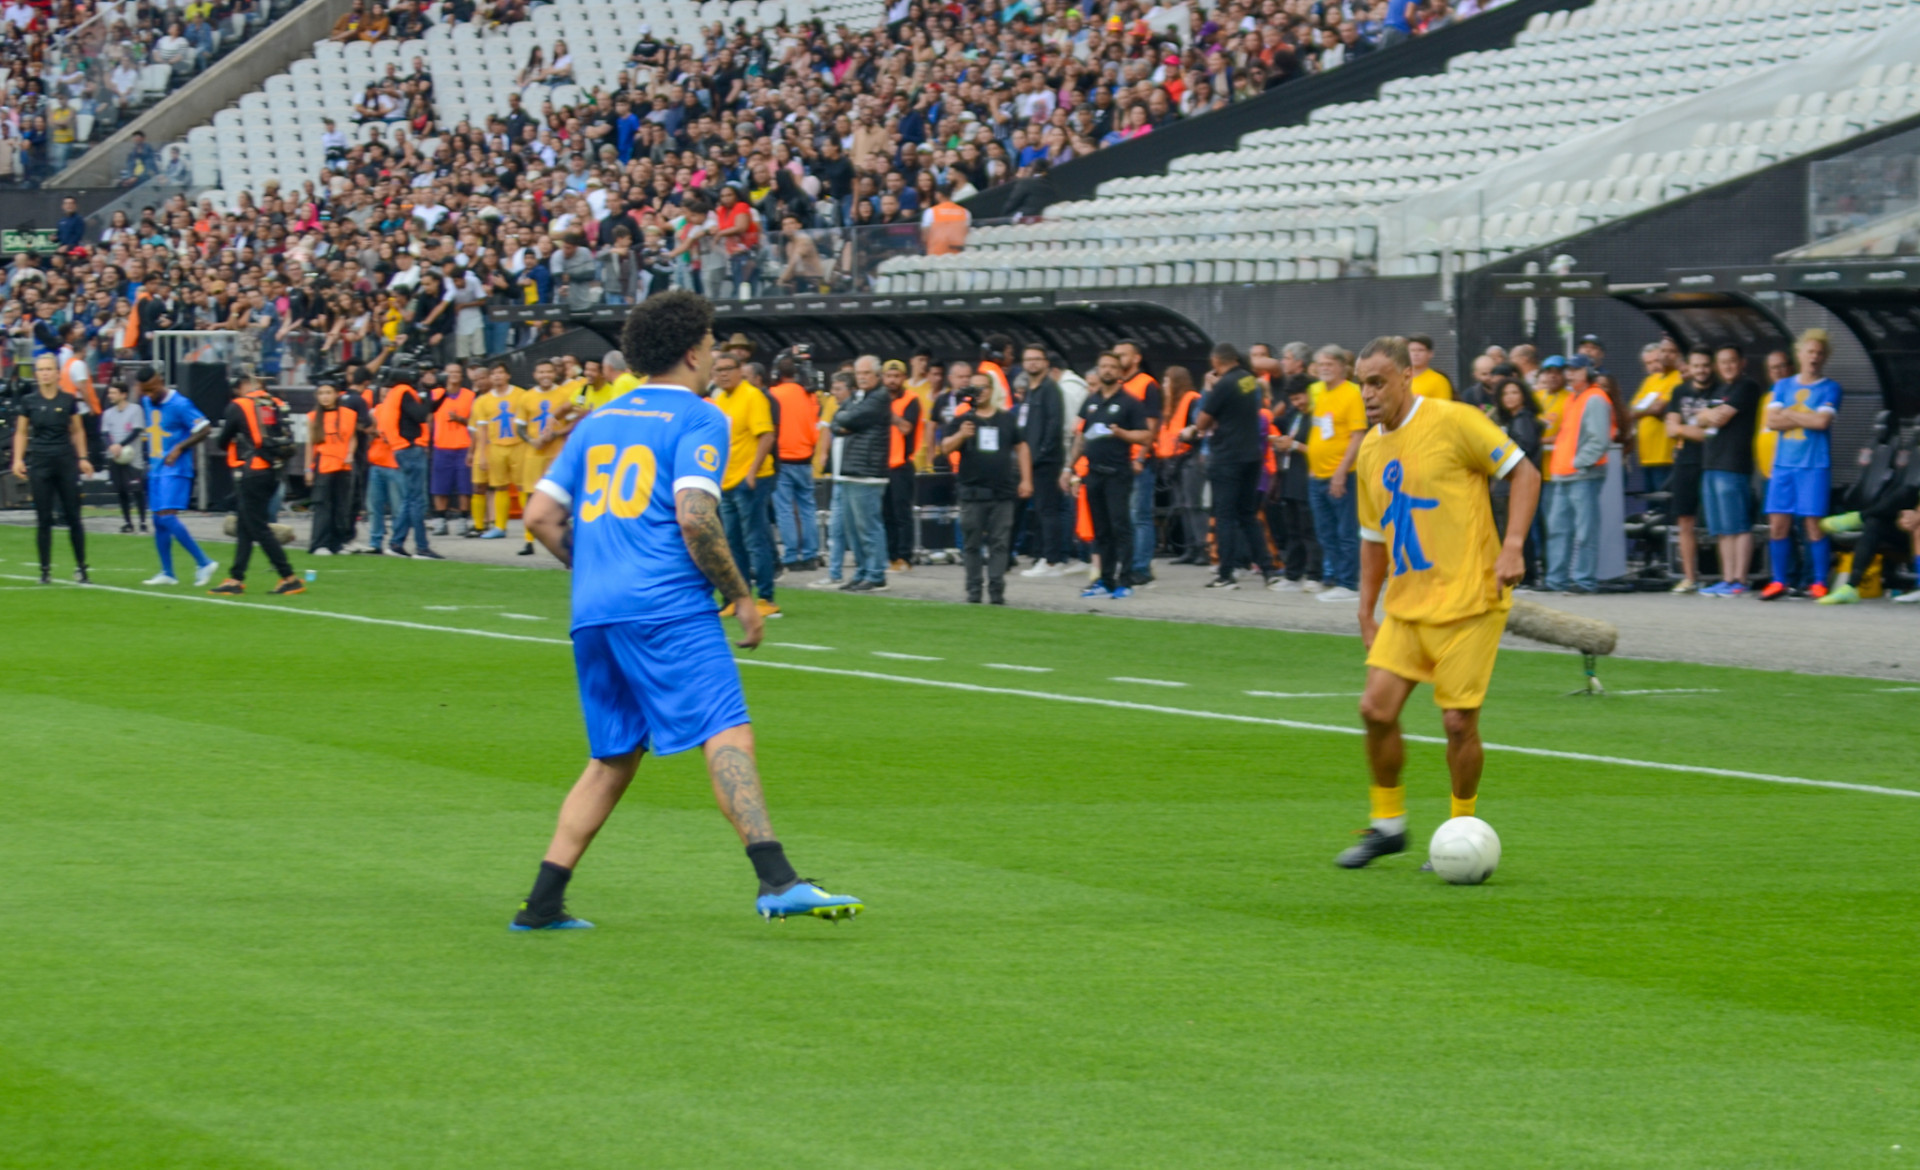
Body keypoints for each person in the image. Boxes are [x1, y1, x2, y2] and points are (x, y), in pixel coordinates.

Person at [510, 289, 862, 929]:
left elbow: (539, 516)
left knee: (613, 757)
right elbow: (697, 518)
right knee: (726, 728)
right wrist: (740, 595)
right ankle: (777, 878)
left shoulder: (597, 421)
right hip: (666, 605)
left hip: (594, 609)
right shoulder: (700, 418)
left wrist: (595, 569)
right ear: (694, 351)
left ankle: (542, 903)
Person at [1336, 336, 1540, 869]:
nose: (1368, 394)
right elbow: (1374, 538)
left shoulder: (1455, 420)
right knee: (1374, 711)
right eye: (1362, 385)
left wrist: (1513, 545)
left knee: (1456, 723)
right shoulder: (1372, 452)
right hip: (1408, 606)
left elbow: (1525, 472)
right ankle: (1388, 826)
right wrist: (1365, 609)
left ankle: (1461, 824)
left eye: (1378, 382)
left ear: (1407, 376)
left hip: (1473, 598)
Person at [1187, 343, 1278, 590]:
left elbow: (1202, 421)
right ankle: (1268, 569)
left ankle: (1226, 573)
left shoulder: (1224, 384)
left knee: (1225, 516)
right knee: (1248, 515)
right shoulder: (1249, 380)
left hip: (1227, 457)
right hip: (1251, 456)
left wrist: (1208, 389)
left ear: (1216, 362)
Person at [1759, 329, 1840, 601]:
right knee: (1777, 524)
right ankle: (1779, 581)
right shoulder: (1782, 385)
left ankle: (1818, 581)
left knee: (1813, 525)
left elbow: (1822, 422)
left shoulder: (1830, 387)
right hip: (1783, 465)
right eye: (1810, 352)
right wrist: (1804, 416)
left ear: (1825, 357)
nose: (1814, 357)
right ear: (1800, 354)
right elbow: (1771, 421)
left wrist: (1790, 414)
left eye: (1819, 353)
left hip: (1814, 465)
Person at [1063, 351, 1151, 600]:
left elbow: (1145, 436)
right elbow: (1081, 436)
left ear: (1121, 372)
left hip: (1117, 473)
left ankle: (1126, 580)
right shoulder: (1091, 401)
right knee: (1100, 530)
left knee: (1120, 527)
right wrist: (1069, 467)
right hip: (1093, 473)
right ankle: (1105, 580)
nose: (1108, 370)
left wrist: (1122, 434)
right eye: (1104, 366)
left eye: (1113, 366)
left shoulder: (1130, 403)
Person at [206, 377, 305, 596]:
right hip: (275, 470)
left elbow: (222, 441)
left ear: (244, 386)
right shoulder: (277, 404)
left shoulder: (239, 405)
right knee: (245, 525)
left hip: (252, 471)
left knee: (258, 527)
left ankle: (288, 576)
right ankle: (235, 578)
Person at [940, 368, 1032, 604]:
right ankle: (973, 589)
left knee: (1000, 543)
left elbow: (1022, 447)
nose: (979, 392)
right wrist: (962, 435)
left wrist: (1026, 479)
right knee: (971, 543)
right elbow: (945, 447)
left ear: (992, 391)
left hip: (1002, 491)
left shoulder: (1006, 419)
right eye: (975, 387)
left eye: (984, 387)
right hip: (971, 492)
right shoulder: (963, 420)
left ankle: (996, 589)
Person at [135, 365, 220, 587]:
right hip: (156, 468)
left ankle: (204, 562)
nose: (149, 395)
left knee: (167, 516)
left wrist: (180, 447)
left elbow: (205, 428)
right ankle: (168, 572)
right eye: (145, 391)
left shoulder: (180, 404)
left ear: (160, 381)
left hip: (176, 468)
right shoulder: (146, 401)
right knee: (158, 520)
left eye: (152, 390)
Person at [10, 354, 92, 585]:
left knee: (74, 516)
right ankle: (44, 571)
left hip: (65, 461)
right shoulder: (29, 401)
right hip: (40, 463)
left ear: (57, 373)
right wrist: (17, 459)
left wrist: (83, 457)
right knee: (43, 518)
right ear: (36, 374)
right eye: (41, 369)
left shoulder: (68, 400)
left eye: (49, 369)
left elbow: (77, 431)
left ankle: (82, 568)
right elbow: (21, 432)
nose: (45, 373)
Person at [711, 351, 780, 615]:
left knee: (755, 539)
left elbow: (766, 436)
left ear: (740, 370)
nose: (723, 374)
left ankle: (766, 598)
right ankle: (736, 598)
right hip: (726, 481)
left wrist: (751, 473)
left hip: (750, 480)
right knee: (732, 542)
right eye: (718, 370)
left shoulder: (752, 396)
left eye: (728, 368)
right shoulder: (720, 400)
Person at [1541, 356, 1613, 594]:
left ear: (1587, 371)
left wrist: (1579, 463)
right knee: (1560, 530)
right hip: (1566, 474)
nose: (1569, 374)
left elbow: (1599, 440)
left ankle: (1583, 581)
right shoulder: (1574, 398)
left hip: (1582, 475)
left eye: (1575, 370)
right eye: (1568, 370)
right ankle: (1556, 580)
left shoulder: (1594, 398)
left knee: (1583, 531)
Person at [1698, 346, 1762, 596]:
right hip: (1711, 463)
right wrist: (1706, 415)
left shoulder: (1746, 387)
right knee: (1721, 528)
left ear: (1742, 362)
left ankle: (1740, 580)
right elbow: (1699, 419)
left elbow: (1718, 418)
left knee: (1738, 525)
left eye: (1732, 361)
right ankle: (1726, 578)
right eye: (1722, 362)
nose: (1727, 366)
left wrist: (1707, 415)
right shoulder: (1718, 389)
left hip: (1733, 464)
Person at [830, 354, 893, 592]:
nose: (863, 377)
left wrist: (845, 423)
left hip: (868, 472)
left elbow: (850, 417)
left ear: (877, 375)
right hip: (850, 471)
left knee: (868, 526)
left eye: (867, 373)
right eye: (859, 373)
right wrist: (844, 423)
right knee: (853, 529)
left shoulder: (879, 397)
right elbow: (837, 419)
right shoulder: (860, 397)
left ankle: (876, 573)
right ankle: (862, 572)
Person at [1307, 346, 1365, 601]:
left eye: (1329, 363)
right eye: (1320, 363)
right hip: (1317, 476)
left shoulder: (1351, 394)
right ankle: (1336, 577)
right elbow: (1320, 431)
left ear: (1343, 366)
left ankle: (1348, 583)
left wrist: (1341, 472)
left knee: (1345, 531)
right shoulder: (1322, 394)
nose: (1324, 367)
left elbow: (1357, 436)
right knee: (1325, 531)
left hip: (1341, 475)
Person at [514, 360, 576, 558]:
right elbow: (520, 426)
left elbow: (576, 420)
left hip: (559, 452)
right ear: (535, 374)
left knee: (564, 494)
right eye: (541, 372)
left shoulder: (565, 394)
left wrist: (556, 435)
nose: (545, 375)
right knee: (530, 493)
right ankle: (529, 540)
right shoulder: (527, 396)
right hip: (535, 452)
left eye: (548, 371)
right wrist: (533, 441)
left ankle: (564, 536)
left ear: (554, 373)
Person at [1663, 356, 1714, 593]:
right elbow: (1669, 429)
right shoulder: (1679, 391)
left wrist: (1682, 429)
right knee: (1684, 519)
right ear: (1689, 369)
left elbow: (1709, 435)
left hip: (1714, 460)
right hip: (1686, 462)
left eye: (1705, 365)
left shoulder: (1719, 390)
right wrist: (1690, 428)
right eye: (1696, 366)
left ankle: (1724, 577)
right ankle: (1689, 577)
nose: (1701, 370)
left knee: (1718, 520)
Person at [1113, 339, 1162, 586]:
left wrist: (1141, 456)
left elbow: (1151, 427)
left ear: (1136, 358)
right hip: (1120, 460)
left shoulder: (1146, 384)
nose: (1117, 359)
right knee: (1126, 516)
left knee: (1139, 515)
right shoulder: (1119, 386)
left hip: (1138, 460)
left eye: (1122, 355)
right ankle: (1131, 563)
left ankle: (1141, 567)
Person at [766, 356, 821, 572]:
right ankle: (811, 555)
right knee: (808, 508)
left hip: (782, 459)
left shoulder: (773, 395)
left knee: (785, 510)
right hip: (805, 458)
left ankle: (791, 556)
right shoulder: (810, 396)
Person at [1488, 377, 1542, 587]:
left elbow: (1523, 449)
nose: (1509, 398)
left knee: (1516, 531)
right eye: (1505, 394)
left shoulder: (1522, 419)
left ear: (1523, 396)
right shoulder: (1513, 420)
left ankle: (1524, 576)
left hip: (1514, 484)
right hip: (1507, 484)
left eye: (1514, 393)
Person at [1267, 378, 1318, 588]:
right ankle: (1293, 574)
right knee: (1293, 529)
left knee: (1309, 530)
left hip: (1308, 477)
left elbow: (1321, 449)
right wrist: (1280, 442)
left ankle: (1315, 574)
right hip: (1290, 477)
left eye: (1298, 398)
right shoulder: (1295, 416)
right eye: (1293, 399)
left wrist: (1294, 444)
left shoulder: (1318, 417)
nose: (1296, 403)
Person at [470, 362, 524, 539]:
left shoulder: (521, 395)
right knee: (500, 486)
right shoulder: (483, 401)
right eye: (494, 373)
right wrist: (482, 454)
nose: (497, 376)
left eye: (501, 373)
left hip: (518, 445)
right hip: (496, 447)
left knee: (523, 486)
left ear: (508, 375)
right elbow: (482, 430)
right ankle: (500, 526)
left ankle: (531, 527)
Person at [305, 381, 359, 556]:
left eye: (328, 392)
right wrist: (308, 469)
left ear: (336, 394)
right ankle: (319, 544)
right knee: (323, 505)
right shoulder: (313, 417)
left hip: (343, 464)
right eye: (321, 393)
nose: (325, 397)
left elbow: (352, 437)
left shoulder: (349, 414)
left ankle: (337, 543)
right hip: (324, 463)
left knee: (342, 505)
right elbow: (310, 444)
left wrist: (351, 452)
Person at [429, 362, 475, 536]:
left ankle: (463, 519)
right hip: (441, 445)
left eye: (457, 372)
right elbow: (428, 418)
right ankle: (440, 520)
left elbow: (475, 422)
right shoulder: (436, 395)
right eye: (450, 372)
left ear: (462, 376)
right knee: (440, 487)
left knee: (464, 487)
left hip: (463, 446)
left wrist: (460, 420)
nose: (454, 375)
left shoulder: (470, 396)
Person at [1631, 339, 1681, 495]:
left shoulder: (1677, 377)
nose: (1653, 366)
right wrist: (1648, 410)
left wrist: (1645, 410)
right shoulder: (1649, 381)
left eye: (1655, 360)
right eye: (1648, 363)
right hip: (1646, 456)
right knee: (1651, 509)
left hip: (1665, 456)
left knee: (1664, 506)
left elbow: (1659, 409)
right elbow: (1632, 411)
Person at [100, 383, 148, 534]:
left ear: (123, 394)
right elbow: (104, 434)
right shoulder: (108, 413)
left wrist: (120, 445)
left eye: (113, 393)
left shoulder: (135, 410)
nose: (110, 396)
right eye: (110, 393)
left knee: (137, 490)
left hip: (132, 457)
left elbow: (136, 431)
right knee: (121, 490)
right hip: (114, 457)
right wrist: (111, 446)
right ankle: (127, 522)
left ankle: (143, 521)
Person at [1406, 334, 1452, 400]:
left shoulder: (1439, 380)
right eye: (1412, 350)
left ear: (1430, 354)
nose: (1416, 354)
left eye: (1420, 350)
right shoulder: (1400, 379)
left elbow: (1444, 408)